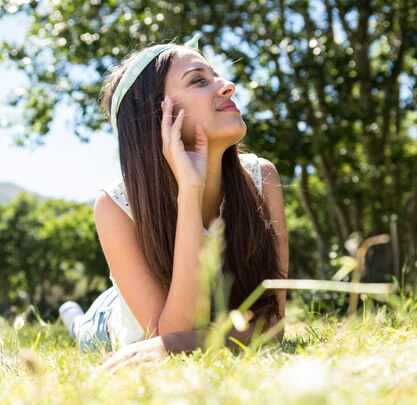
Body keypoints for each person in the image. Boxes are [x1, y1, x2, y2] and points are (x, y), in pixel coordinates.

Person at [59, 34, 288, 370]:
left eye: (216, 76)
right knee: (83, 329)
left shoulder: (261, 178)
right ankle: (73, 317)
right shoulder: (115, 205)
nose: (228, 86)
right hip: (112, 320)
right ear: (157, 116)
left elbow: (273, 327)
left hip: (188, 322)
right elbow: (164, 335)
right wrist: (189, 192)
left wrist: (197, 340)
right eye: (199, 80)